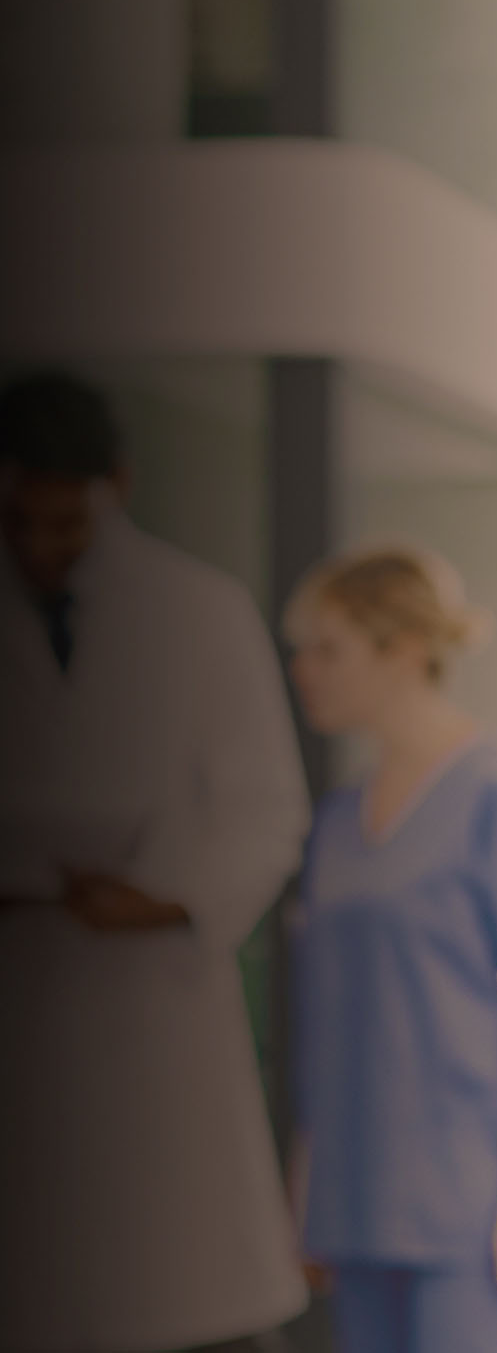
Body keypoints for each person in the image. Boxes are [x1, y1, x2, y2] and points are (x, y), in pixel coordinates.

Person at [0, 372, 310, 1350]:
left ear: (117, 488)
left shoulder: (198, 611)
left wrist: (166, 900)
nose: (44, 546)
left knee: (166, 1292)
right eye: (22, 519)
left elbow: (266, 808)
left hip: (150, 979)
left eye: (67, 522)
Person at [283, 546, 497, 1352]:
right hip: (355, 1200)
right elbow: (328, 1016)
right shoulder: (338, 822)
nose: (303, 671)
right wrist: (307, 1185)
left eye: (325, 649)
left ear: (403, 650)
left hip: (468, 1208)